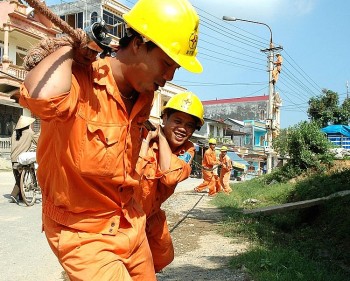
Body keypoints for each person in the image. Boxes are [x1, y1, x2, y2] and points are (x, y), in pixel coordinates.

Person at [19, 0, 202, 280]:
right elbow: (41, 100)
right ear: (139, 43)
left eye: (175, 68)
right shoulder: (82, 76)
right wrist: (68, 46)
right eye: (166, 63)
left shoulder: (144, 94)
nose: (168, 77)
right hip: (83, 232)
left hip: (130, 222)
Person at [134, 91, 204, 272]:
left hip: (150, 215)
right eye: (178, 121)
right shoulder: (143, 135)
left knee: (162, 255)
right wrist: (146, 142)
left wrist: (162, 138)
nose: (183, 129)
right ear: (164, 118)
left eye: (189, 125)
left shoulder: (187, 150)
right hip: (126, 216)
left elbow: (170, 175)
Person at [9, 115, 38, 204]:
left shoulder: (14, 133)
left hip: (13, 158)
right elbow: (38, 141)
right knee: (19, 180)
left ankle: (21, 196)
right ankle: (13, 195)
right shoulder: (30, 132)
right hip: (22, 159)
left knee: (18, 177)